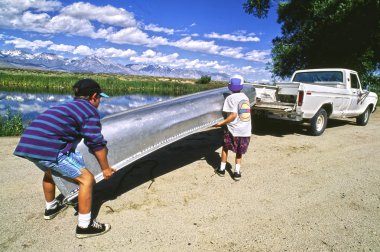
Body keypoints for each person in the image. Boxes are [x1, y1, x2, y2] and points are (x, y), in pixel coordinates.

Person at [14, 79, 115, 239]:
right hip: (47, 147)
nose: (100, 101)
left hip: (27, 144)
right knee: (86, 179)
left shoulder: (67, 106)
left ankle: (51, 207)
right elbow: (96, 142)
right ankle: (85, 226)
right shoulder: (89, 110)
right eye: (100, 98)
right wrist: (105, 169)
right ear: (94, 96)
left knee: (50, 172)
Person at [214, 75, 252, 181]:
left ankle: (221, 169)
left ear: (230, 86)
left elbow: (233, 115)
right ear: (241, 86)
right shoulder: (245, 97)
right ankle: (237, 173)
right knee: (239, 151)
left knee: (225, 147)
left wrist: (221, 123)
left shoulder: (229, 98)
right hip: (245, 130)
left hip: (233, 129)